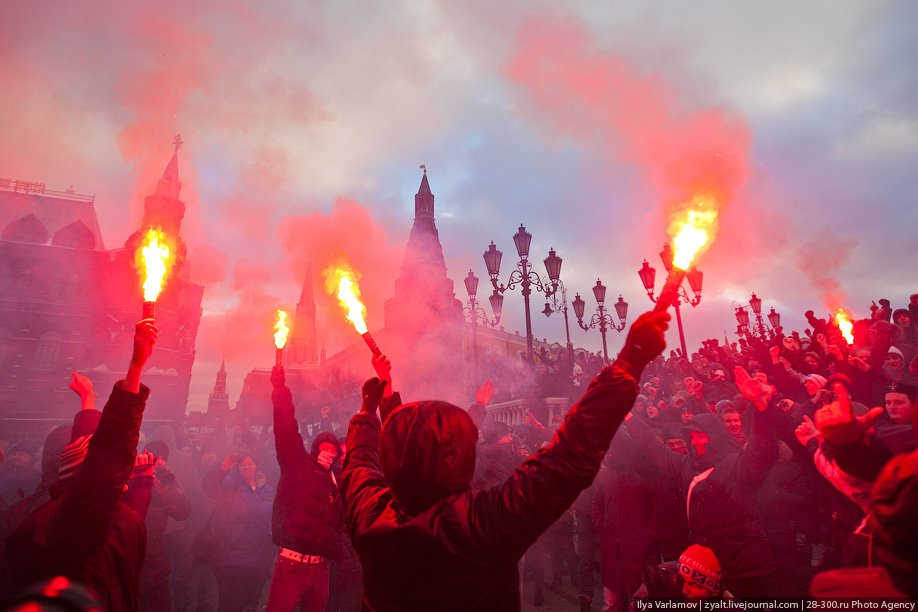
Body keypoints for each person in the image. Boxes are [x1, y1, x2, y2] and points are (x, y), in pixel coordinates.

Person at [341, 310, 670, 610]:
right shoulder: (481, 526)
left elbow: (361, 458)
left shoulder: (370, 514)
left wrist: (370, 408)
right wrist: (629, 363)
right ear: (458, 459)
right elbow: (569, 455)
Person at [5, 319, 158, 612]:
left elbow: (125, 511)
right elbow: (105, 458)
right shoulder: (69, 523)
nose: (123, 468)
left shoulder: (105, 516)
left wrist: (144, 482)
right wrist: (135, 368)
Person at [265, 364, 344, 612]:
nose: (329, 454)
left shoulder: (335, 481)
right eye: (326, 448)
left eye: (334, 451)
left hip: (321, 567)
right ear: (315, 448)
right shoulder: (298, 466)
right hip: (293, 565)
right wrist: (281, 391)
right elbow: (287, 429)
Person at [202, 453, 275, 612]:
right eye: (242, 465)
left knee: (251, 602)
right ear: (237, 468)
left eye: (250, 463)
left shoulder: (267, 489)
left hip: (259, 556)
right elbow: (210, 487)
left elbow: (273, 517)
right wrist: (222, 469)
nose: (247, 467)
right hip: (233, 556)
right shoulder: (229, 485)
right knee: (230, 603)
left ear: (257, 465)